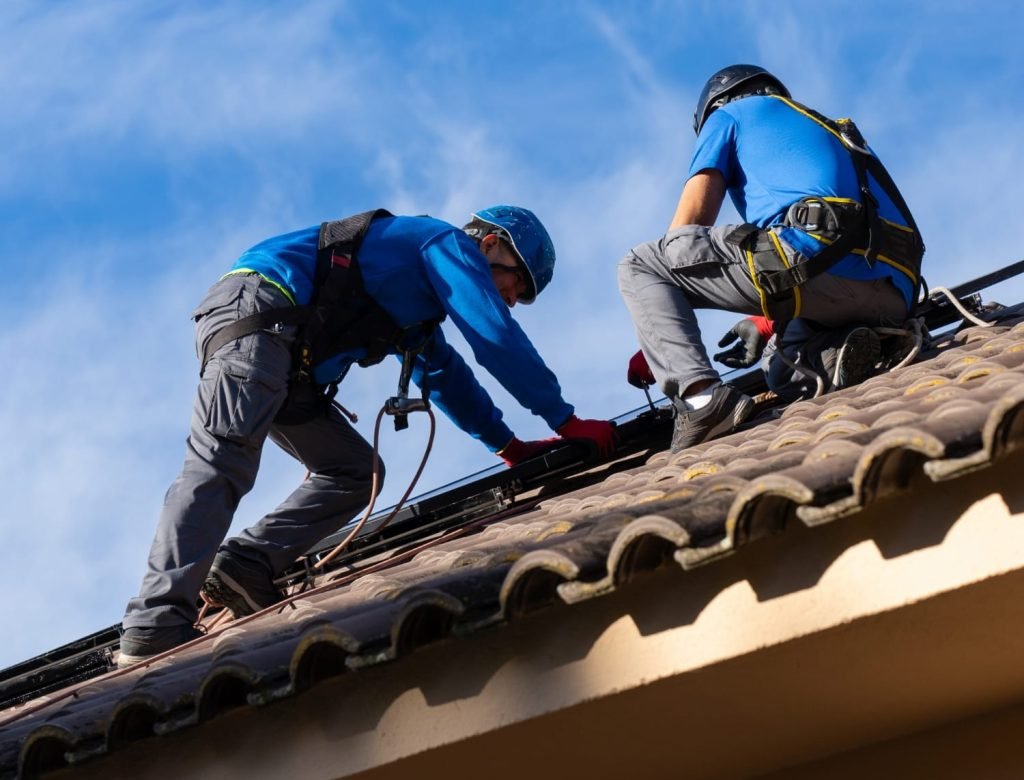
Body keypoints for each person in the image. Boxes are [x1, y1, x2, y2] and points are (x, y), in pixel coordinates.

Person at [118, 205, 617, 666]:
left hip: (290, 362)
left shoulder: (414, 308)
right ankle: (154, 622)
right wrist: (564, 420)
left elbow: (444, 374)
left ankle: (247, 564)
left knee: (357, 473)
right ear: (488, 244)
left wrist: (508, 447)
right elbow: (493, 335)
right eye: (515, 283)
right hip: (260, 317)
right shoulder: (443, 244)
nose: (511, 299)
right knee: (221, 463)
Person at [618, 65, 924, 452]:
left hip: (814, 255)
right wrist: (765, 323)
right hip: (896, 294)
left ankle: (702, 402)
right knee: (780, 369)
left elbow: (688, 228)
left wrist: (659, 340)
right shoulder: (829, 129)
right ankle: (839, 353)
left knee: (640, 265)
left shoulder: (728, 116)